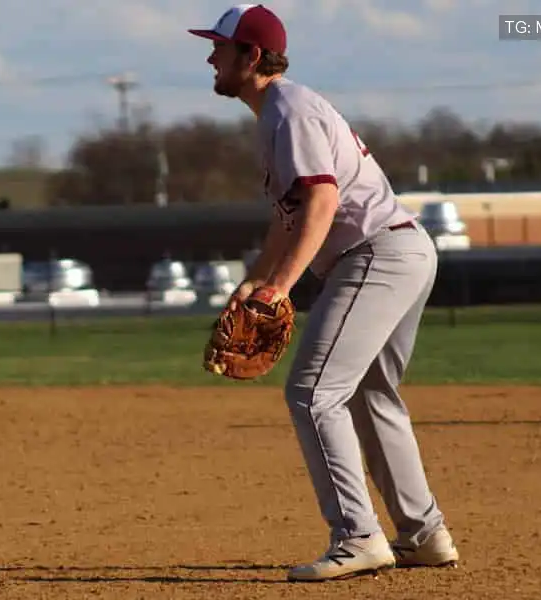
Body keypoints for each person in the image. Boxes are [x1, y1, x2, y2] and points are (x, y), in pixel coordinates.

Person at [188, 4, 458, 582]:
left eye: (220, 47)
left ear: (251, 56)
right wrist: (256, 279)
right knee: (370, 395)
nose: (210, 57)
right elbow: (289, 217)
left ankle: (358, 536)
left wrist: (280, 289)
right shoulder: (280, 113)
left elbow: (322, 202)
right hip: (399, 250)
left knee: (312, 393)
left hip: (376, 254)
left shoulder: (290, 112)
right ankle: (424, 533)